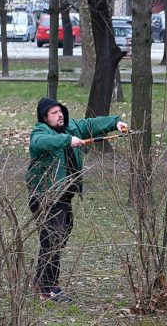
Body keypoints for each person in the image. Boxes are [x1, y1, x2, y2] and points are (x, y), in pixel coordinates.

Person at [25, 97, 127, 302]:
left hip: (64, 196)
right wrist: (67, 141)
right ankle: (49, 289)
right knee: (52, 239)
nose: (59, 115)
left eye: (60, 111)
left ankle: (40, 281)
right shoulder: (40, 133)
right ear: (44, 118)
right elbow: (39, 144)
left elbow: (90, 124)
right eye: (53, 113)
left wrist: (115, 123)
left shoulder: (72, 127)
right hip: (46, 196)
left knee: (59, 237)